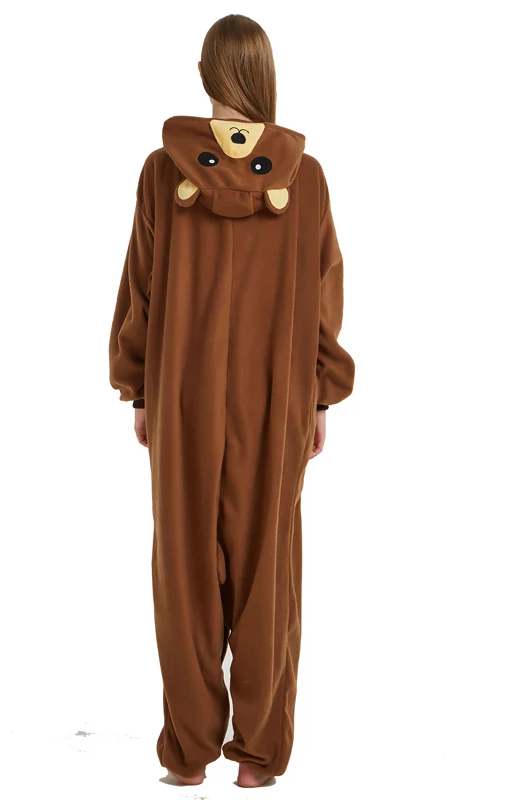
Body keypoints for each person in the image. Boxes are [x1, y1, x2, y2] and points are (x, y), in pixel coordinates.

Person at [108, 13, 355, 790]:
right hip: (275, 399)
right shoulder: (305, 179)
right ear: (263, 75)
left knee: (183, 571)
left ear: (205, 73)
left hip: (181, 394)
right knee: (266, 569)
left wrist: (138, 387)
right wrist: (320, 399)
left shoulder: (162, 171)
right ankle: (258, 756)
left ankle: (189, 754)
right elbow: (324, 298)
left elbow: (141, 288)